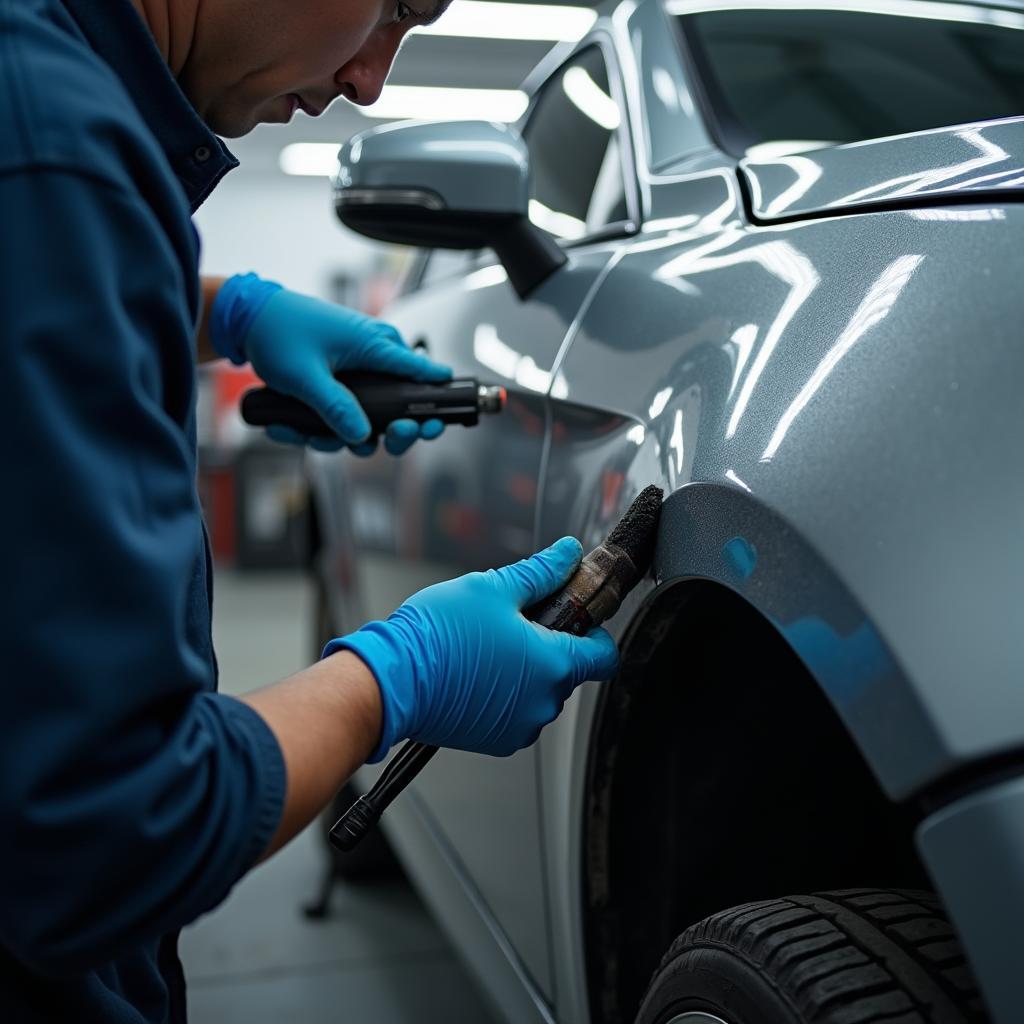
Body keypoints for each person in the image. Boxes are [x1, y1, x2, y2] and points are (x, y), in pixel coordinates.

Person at [0, 1, 620, 1021]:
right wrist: (391, 680)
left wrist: (225, 310)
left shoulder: (46, 100)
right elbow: (105, 838)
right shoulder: (53, 152)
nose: (372, 80)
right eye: (393, 8)